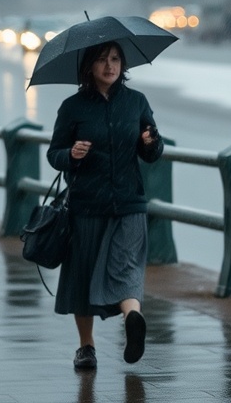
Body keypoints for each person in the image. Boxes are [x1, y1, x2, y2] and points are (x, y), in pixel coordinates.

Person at [46, 41, 164, 370]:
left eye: (115, 59)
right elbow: (54, 154)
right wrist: (71, 154)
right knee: (83, 276)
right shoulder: (73, 107)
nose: (109, 66)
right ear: (89, 67)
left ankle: (133, 319)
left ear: (123, 65)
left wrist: (151, 141)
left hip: (129, 203)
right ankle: (87, 347)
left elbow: (153, 153)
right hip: (86, 205)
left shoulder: (136, 102)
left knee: (125, 266)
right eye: (101, 60)